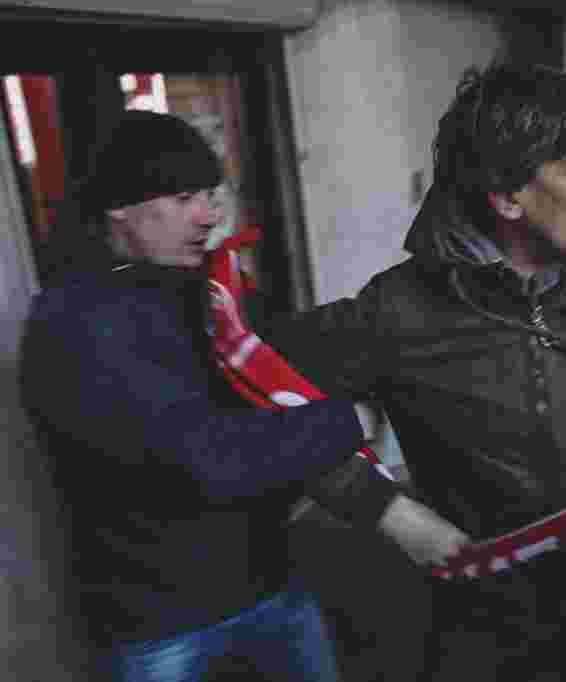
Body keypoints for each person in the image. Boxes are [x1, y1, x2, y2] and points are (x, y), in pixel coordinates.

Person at [267, 62, 566, 681]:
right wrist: (384, 509)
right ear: (507, 195)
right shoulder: (398, 310)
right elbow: (254, 386)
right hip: (485, 630)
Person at [17, 110, 416, 681]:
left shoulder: (203, 288)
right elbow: (208, 457)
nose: (208, 215)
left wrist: (393, 336)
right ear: (119, 207)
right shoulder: (74, 322)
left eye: (209, 195)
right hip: (160, 623)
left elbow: (281, 372)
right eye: (183, 198)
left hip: (270, 585)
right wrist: (352, 417)